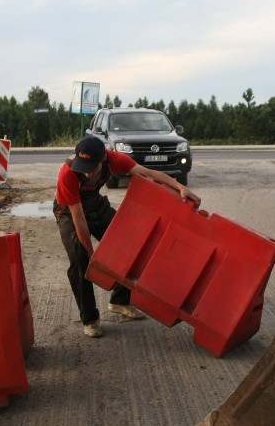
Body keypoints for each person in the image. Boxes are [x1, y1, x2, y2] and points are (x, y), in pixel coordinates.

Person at [54, 135, 201, 338]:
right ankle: (90, 319)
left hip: (95, 205)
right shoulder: (67, 174)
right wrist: (91, 254)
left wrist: (181, 188)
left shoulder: (115, 159)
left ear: (104, 158)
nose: (87, 173)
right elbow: (78, 219)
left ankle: (120, 301)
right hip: (69, 212)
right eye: (83, 167)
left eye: (92, 167)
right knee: (80, 260)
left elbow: (150, 173)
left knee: (130, 244)